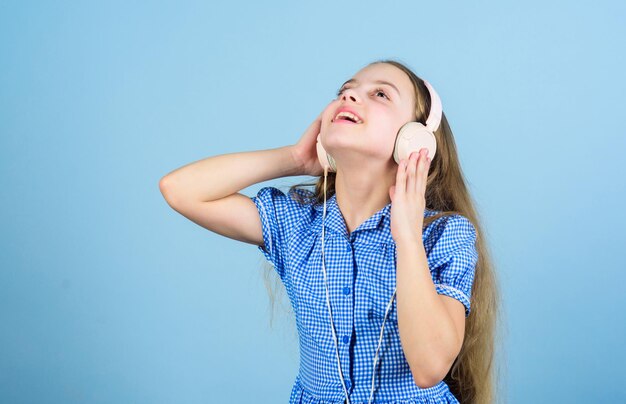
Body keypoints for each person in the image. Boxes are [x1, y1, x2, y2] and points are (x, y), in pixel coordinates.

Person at [159, 59, 501, 404]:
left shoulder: (444, 234)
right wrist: (293, 157)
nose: (350, 98)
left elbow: (429, 368)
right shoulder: (296, 223)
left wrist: (408, 238)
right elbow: (180, 190)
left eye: (380, 94)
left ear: (414, 140)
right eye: (345, 91)